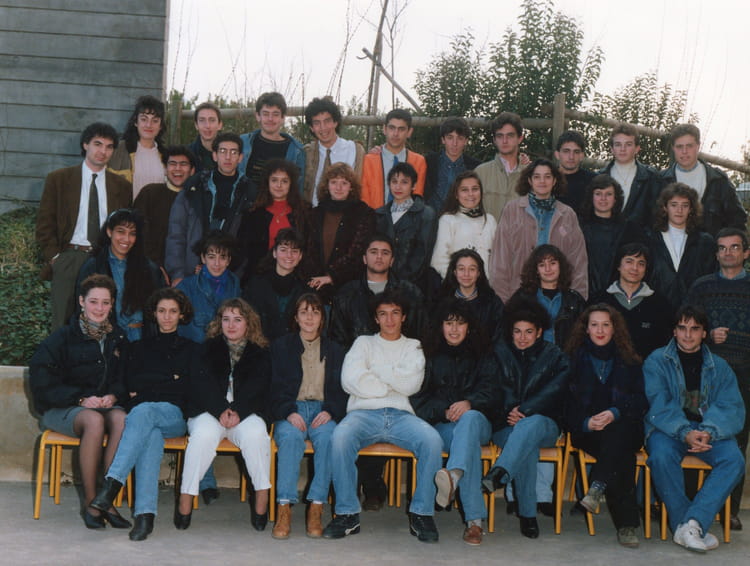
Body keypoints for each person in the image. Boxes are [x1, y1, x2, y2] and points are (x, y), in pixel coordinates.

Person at [322, 290, 444, 543]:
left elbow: (411, 385)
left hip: (401, 415)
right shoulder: (363, 343)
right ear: (376, 318)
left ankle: (422, 514)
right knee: (340, 437)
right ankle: (347, 514)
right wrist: (391, 381)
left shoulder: (413, 346)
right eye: (383, 314)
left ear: (404, 317)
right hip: (363, 413)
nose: (389, 320)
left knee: (432, 441)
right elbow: (349, 380)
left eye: (395, 313)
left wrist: (375, 371)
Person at [90, 288, 202, 541]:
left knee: (143, 410)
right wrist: (169, 379)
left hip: (174, 416)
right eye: (162, 311)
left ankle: (112, 484)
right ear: (154, 313)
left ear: (181, 315)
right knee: (149, 434)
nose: (167, 316)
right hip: (143, 418)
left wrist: (148, 386)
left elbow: (187, 388)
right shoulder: (137, 348)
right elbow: (130, 383)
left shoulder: (192, 350)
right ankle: (145, 516)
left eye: (173, 311)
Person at [29, 274, 130, 530]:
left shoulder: (118, 337)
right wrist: (80, 399)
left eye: (105, 302)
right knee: (94, 421)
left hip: (102, 406)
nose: (99, 308)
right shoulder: (61, 338)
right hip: (61, 408)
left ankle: (106, 498)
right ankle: (91, 503)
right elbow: (41, 383)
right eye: (94, 302)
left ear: (112, 304)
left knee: (121, 418)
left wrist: (114, 395)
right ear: (82, 302)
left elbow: (126, 378)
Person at [644, 305, 745, 553]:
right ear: (674, 332)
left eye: (695, 329)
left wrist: (709, 431)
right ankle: (688, 525)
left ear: (704, 333)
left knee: (734, 460)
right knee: (660, 456)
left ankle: (692, 523)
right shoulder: (656, 361)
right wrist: (684, 432)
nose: (688, 335)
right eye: (682, 328)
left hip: (708, 430)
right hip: (668, 429)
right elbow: (659, 404)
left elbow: (730, 406)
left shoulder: (720, 366)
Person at [174, 298, 272, 532]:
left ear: (248, 323)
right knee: (203, 437)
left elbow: (260, 387)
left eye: (237, 319)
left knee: (256, 435)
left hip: (245, 412)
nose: (231, 325)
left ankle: (261, 495)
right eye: (226, 319)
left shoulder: (260, 353)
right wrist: (220, 409)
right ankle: (186, 497)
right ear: (219, 323)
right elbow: (200, 385)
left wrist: (239, 410)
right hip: (209, 410)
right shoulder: (205, 349)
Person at [411, 299, 500, 546]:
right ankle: (475, 523)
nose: (454, 329)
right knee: (467, 446)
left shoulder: (484, 354)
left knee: (468, 422)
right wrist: (444, 411)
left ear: (469, 327)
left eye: (460, 323)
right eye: (449, 323)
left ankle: (454, 474)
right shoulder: (428, 355)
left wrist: (469, 403)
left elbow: (494, 392)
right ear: (440, 326)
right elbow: (418, 401)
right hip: (444, 426)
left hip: (479, 421)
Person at [481, 298, 569, 539]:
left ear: (539, 332)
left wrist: (526, 410)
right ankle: (528, 515)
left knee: (531, 425)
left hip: (545, 424)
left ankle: (500, 472)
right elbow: (493, 390)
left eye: (529, 332)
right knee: (525, 442)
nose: (522, 338)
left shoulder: (554, 355)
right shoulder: (498, 353)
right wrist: (512, 411)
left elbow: (556, 390)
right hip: (506, 425)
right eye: (517, 331)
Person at [564, 304, 647, 548]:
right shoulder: (571, 361)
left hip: (625, 427)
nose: (600, 330)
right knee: (622, 456)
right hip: (588, 431)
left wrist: (614, 412)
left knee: (618, 434)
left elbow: (641, 400)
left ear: (614, 329)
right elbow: (564, 403)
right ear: (586, 329)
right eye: (594, 325)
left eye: (605, 325)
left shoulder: (630, 360)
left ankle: (598, 486)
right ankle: (626, 525)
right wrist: (586, 422)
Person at [36, 122, 132, 330]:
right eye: (97, 144)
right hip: (70, 256)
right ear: (85, 144)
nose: (103, 151)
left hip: (105, 258)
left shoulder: (122, 186)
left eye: (109, 147)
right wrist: (55, 258)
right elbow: (45, 223)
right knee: (62, 322)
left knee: (103, 321)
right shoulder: (59, 180)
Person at [686, 227, 750, 530]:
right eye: (723, 248)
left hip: (745, 375)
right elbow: (686, 327)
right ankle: (690, 504)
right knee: (694, 433)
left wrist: (733, 337)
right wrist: (708, 335)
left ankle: (730, 510)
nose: (728, 253)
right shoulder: (702, 287)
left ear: (746, 253)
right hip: (704, 374)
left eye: (735, 247)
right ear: (716, 254)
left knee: (737, 440)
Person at [270, 294, 348, 539]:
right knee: (291, 439)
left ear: (322, 318)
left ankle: (316, 506)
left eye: (315, 312)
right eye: (304, 312)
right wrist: (288, 411)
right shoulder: (281, 346)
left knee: (329, 439)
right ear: (295, 317)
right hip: (292, 409)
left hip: (323, 410)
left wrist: (331, 410)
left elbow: (344, 389)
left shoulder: (335, 350)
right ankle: (284, 507)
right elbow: (272, 386)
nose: (309, 317)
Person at [490, 158, 588, 302]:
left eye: (547, 176)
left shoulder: (568, 215)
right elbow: (500, 260)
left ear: (554, 180)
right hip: (518, 296)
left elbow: (578, 262)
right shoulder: (512, 210)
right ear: (529, 180)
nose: (542, 181)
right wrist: (502, 302)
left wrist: (576, 301)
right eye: (537, 177)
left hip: (557, 298)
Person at [165, 132, 255, 285]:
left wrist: (235, 276)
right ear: (214, 155)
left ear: (240, 157)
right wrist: (177, 274)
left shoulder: (249, 192)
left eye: (233, 152)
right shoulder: (194, 187)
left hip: (229, 277)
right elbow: (176, 233)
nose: (228, 157)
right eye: (223, 151)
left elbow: (248, 243)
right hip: (191, 273)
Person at [76, 208, 165, 342]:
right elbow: (81, 310)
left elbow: (160, 306)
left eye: (132, 234)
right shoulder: (94, 267)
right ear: (109, 232)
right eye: (121, 232)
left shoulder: (149, 268)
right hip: (108, 339)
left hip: (143, 339)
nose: (126, 239)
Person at [330, 234, 427, 351]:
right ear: (364, 259)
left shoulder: (410, 292)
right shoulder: (347, 294)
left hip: (400, 358)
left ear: (392, 261)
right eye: (374, 252)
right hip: (359, 359)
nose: (379, 257)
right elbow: (338, 340)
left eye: (385, 253)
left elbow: (420, 335)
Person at [660, 124, 747, 237]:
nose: (684, 151)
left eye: (689, 146)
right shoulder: (661, 181)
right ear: (673, 148)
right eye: (679, 146)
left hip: (712, 246)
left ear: (698, 146)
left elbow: (737, 221)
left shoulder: (718, 180)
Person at [306, 162, 376, 301]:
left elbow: (358, 251)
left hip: (349, 287)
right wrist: (318, 277)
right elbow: (309, 250)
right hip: (316, 285)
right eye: (334, 182)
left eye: (344, 183)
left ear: (351, 187)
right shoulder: (315, 213)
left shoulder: (364, 213)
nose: (338, 187)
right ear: (327, 185)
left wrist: (332, 276)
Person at [592, 243, 673, 360]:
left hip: (647, 368)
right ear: (618, 266)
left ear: (646, 269)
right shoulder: (599, 300)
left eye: (641, 263)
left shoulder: (660, 303)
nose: (635, 268)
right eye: (629, 262)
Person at [236, 158, 312, 283]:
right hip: (259, 277)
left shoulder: (304, 212)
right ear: (267, 182)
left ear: (291, 184)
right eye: (274, 180)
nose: (279, 185)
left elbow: (308, 249)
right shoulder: (253, 213)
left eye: (284, 181)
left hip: (295, 279)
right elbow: (244, 251)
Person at [647, 183, 717, 311]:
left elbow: (710, 277)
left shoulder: (704, 242)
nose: (679, 210)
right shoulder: (650, 239)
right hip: (657, 309)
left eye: (685, 205)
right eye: (674, 205)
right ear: (665, 207)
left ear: (691, 209)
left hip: (694, 311)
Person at [578, 174, 644, 299]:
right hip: (585, 291)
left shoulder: (630, 229)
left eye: (608, 194)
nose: (603, 198)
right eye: (598, 194)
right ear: (591, 197)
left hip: (619, 293)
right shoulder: (579, 226)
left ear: (615, 199)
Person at [374, 162, 437, 288]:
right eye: (394, 181)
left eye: (404, 182)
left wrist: (402, 283)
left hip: (412, 285)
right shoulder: (379, 214)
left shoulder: (426, 214)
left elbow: (422, 255)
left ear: (414, 185)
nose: (398, 187)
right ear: (389, 184)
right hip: (381, 282)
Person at [133, 145, 197, 268]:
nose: (177, 169)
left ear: (192, 170)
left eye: (183, 164)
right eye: (172, 164)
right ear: (165, 169)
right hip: (149, 267)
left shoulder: (198, 199)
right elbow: (139, 234)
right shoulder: (149, 193)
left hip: (187, 269)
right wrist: (156, 266)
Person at [510, 244, 586, 348]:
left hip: (565, 356)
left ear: (560, 266)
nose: (548, 269)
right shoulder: (522, 298)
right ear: (536, 270)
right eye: (542, 265)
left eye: (552, 263)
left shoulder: (575, 300)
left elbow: (583, 337)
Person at [243, 228, 309, 341]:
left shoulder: (306, 289)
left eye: (294, 251)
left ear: (300, 256)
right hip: (259, 345)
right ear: (274, 253)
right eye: (283, 250)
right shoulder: (256, 284)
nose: (289, 255)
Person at [430, 171, 497, 279]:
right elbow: (438, 260)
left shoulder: (490, 220)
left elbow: (499, 257)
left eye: (475, 189)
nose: (471, 194)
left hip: (488, 285)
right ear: (456, 194)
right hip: (457, 285)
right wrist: (460, 281)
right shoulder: (448, 220)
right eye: (464, 190)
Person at [176, 230, 241, 343]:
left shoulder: (236, 287)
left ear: (228, 260)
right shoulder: (186, 287)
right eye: (211, 257)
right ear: (203, 258)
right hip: (196, 350)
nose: (217, 263)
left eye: (222, 257)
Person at [302, 96, 365, 205]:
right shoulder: (306, 153)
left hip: (346, 212)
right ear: (311, 128)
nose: (323, 127)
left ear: (335, 122)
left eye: (327, 121)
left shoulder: (355, 150)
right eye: (317, 123)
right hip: (312, 212)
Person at [598, 123, 662, 229]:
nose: (622, 149)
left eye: (628, 144)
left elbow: (657, 216)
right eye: (618, 144)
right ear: (612, 149)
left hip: (640, 237)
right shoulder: (599, 177)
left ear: (637, 148)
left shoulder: (651, 177)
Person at [361, 108, 427, 208]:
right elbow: (364, 197)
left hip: (407, 216)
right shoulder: (368, 161)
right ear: (384, 129)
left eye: (401, 129)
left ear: (409, 132)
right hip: (373, 215)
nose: (396, 134)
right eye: (392, 128)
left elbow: (417, 196)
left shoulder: (418, 162)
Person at [239, 92, 305, 188]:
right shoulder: (243, 142)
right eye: (265, 114)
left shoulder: (296, 151)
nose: (270, 119)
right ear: (258, 116)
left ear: (283, 118)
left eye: (275, 114)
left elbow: (298, 187)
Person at [437, 249, 504, 344]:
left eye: (472, 269)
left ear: (479, 273)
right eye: (461, 269)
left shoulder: (493, 303)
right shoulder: (441, 301)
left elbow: (499, 338)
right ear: (455, 272)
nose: (466, 274)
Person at [108, 95, 167, 198]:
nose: (149, 125)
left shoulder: (166, 155)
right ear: (136, 122)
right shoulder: (118, 150)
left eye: (155, 121)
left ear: (160, 125)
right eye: (144, 119)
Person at [474, 112, 526, 221]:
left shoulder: (531, 174)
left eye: (510, 135)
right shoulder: (480, 172)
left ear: (520, 138)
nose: (504, 141)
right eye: (500, 136)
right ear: (494, 140)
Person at [423, 117, 480, 213]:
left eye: (460, 138)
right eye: (450, 138)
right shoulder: (428, 162)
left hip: (462, 218)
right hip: (431, 218)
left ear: (466, 141)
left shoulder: (475, 167)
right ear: (443, 139)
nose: (454, 143)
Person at [555, 130, 595, 211]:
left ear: (582, 156)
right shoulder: (547, 180)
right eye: (566, 151)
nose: (571, 157)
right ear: (557, 154)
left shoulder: (593, 181)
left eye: (576, 152)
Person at [189, 102, 223, 173]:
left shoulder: (231, 154)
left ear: (220, 125)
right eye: (202, 120)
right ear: (196, 125)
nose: (207, 126)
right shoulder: (187, 155)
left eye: (212, 120)